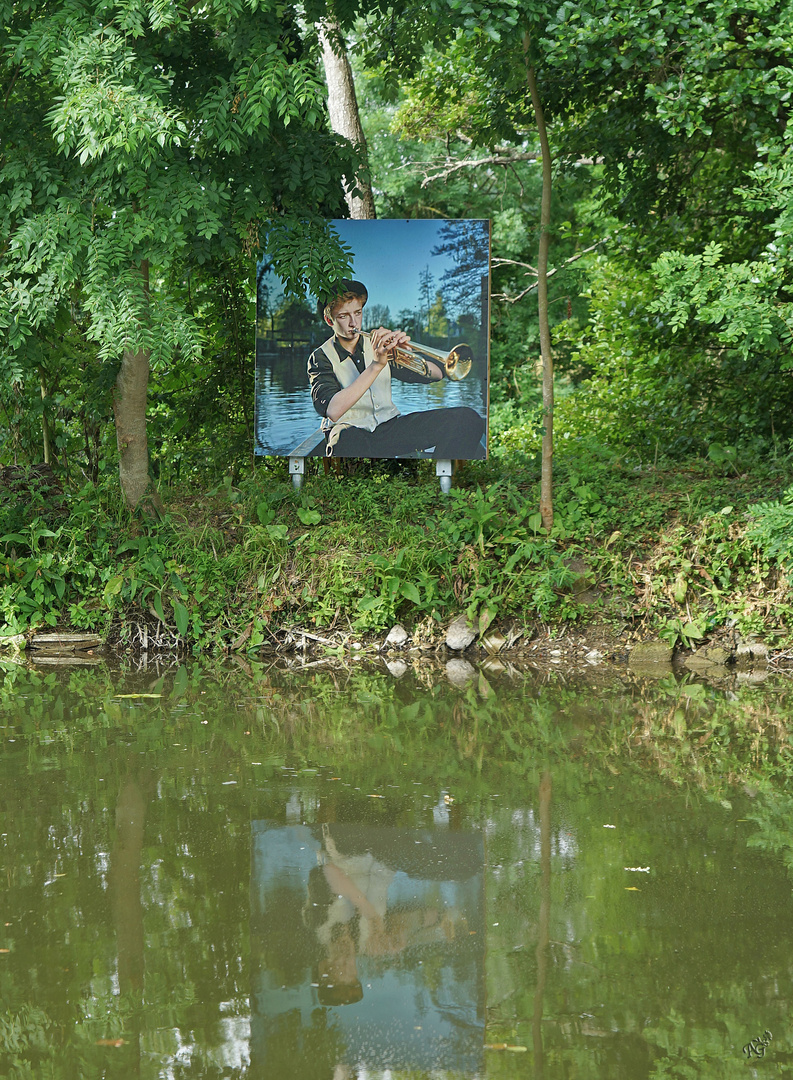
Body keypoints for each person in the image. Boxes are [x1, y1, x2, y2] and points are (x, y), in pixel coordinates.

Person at [307, 280, 486, 458]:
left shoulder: (379, 346)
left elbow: (437, 374)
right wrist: (377, 365)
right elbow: (333, 410)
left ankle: (441, 476)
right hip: (349, 433)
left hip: (389, 430)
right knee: (345, 439)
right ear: (329, 320)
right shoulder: (320, 357)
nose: (354, 323)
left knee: (466, 419)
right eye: (344, 316)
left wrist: (407, 354)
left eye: (358, 313)